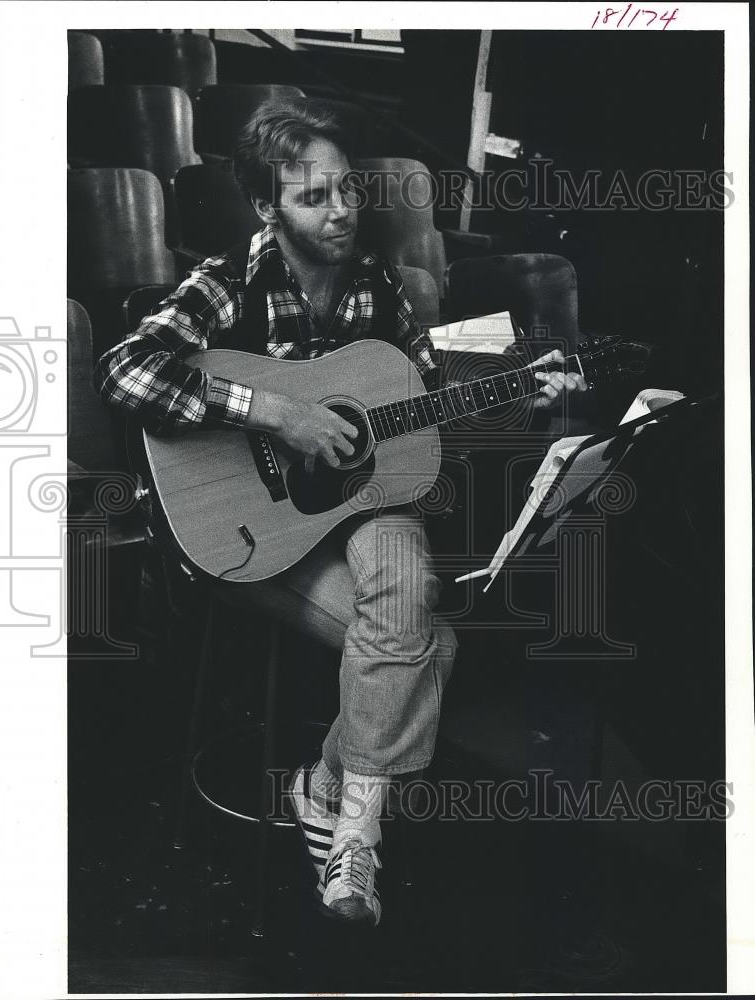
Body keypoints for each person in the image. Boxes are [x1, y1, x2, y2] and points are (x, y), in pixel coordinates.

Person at [93, 97, 585, 927]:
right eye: (314, 196)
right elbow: (124, 369)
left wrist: (523, 391)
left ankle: (344, 819)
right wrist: (276, 412)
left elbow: (424, 397)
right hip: (244, 530)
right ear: (267, 207)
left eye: (348, 191)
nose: (342, 210)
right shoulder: (227, 282)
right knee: (429, 642)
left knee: (405, 581)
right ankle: (329, 794)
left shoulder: (382, 288)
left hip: (359, 509)